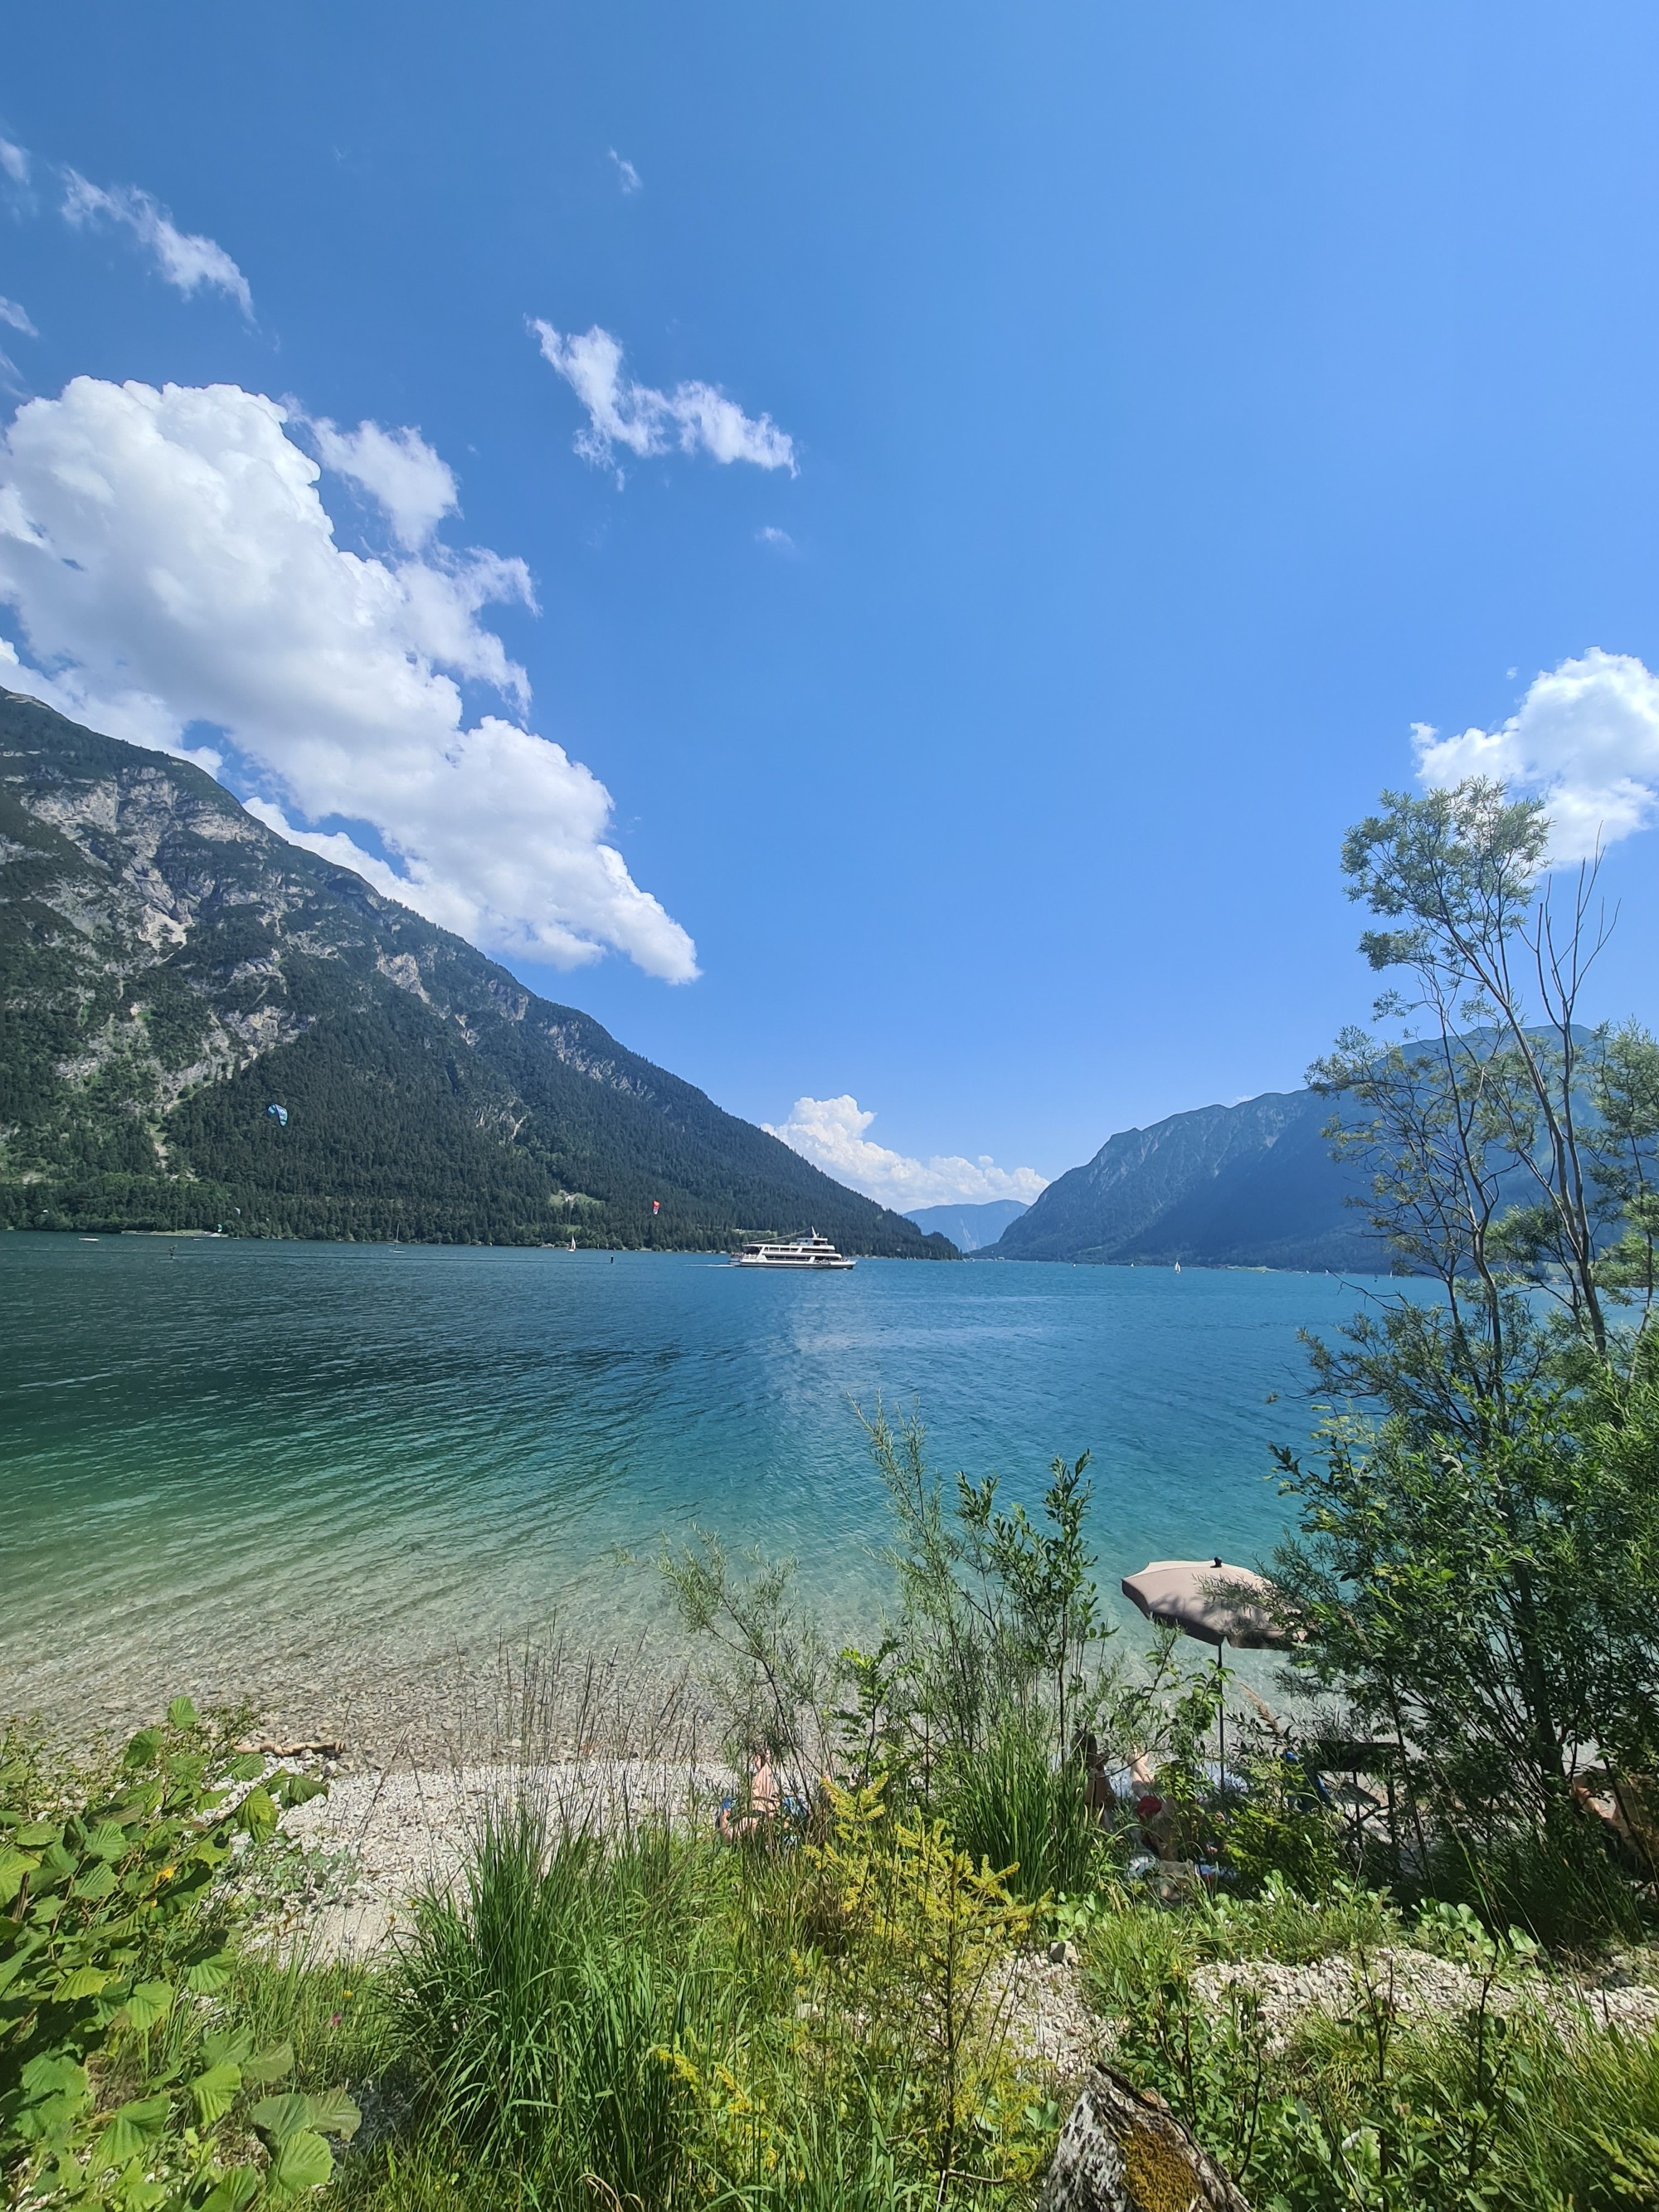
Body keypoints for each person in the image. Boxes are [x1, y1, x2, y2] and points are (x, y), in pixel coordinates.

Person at [717, 1747, 781, 1842]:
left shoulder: (747, 1821)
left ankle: (765, 1765)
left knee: (763, 1788)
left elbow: (729, 1837)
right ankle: (766, 1764)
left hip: (758, 1815)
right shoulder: (749, 1821)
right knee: (766, 1789)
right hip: (762, 1816)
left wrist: (724, 1818)